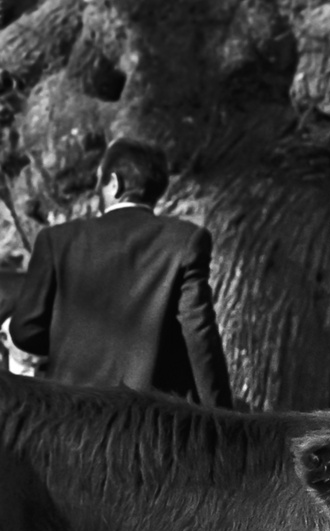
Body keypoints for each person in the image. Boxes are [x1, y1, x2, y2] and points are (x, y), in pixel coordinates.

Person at [6, 138, 232, 407]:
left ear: (114, 182)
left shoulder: (57, 240)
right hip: (153, 422)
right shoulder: (185, 240)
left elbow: (26, 331)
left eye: (99, 180)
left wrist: (71, 342)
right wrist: (224, 418)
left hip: (71, 416)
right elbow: (199, 335)